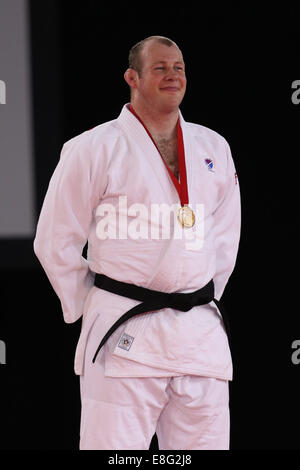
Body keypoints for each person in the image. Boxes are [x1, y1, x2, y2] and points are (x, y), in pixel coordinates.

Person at [33, 35, 241, 450]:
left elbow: (224, 236)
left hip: (198, 335)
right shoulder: (91, 148)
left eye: (179, 67)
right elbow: (54, 240)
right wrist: (90, 305)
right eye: (160, 68)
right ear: (133, 77)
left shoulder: (213, 146)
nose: (172, 76)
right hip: (124, 329)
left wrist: (202, 293)